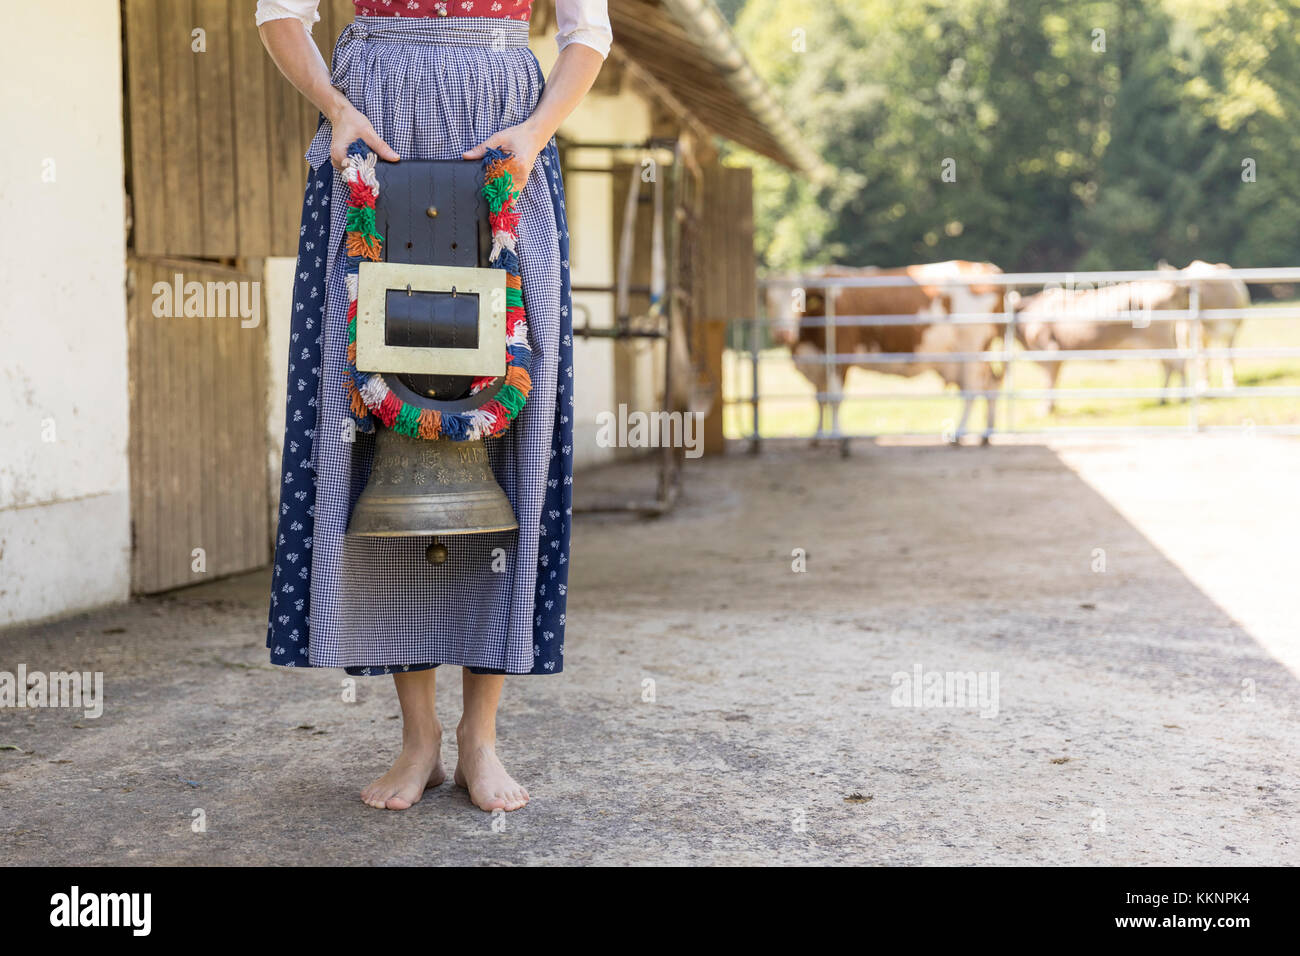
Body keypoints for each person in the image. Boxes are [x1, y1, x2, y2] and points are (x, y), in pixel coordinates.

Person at [257, 0, 609, 812]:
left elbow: (588, 30)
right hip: (374, 135)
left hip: (505, 143)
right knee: (372, 420)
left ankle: (480, 738)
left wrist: (536, 132)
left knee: (512, 415)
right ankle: (417, 738)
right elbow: (278, 11)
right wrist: (335, 106)